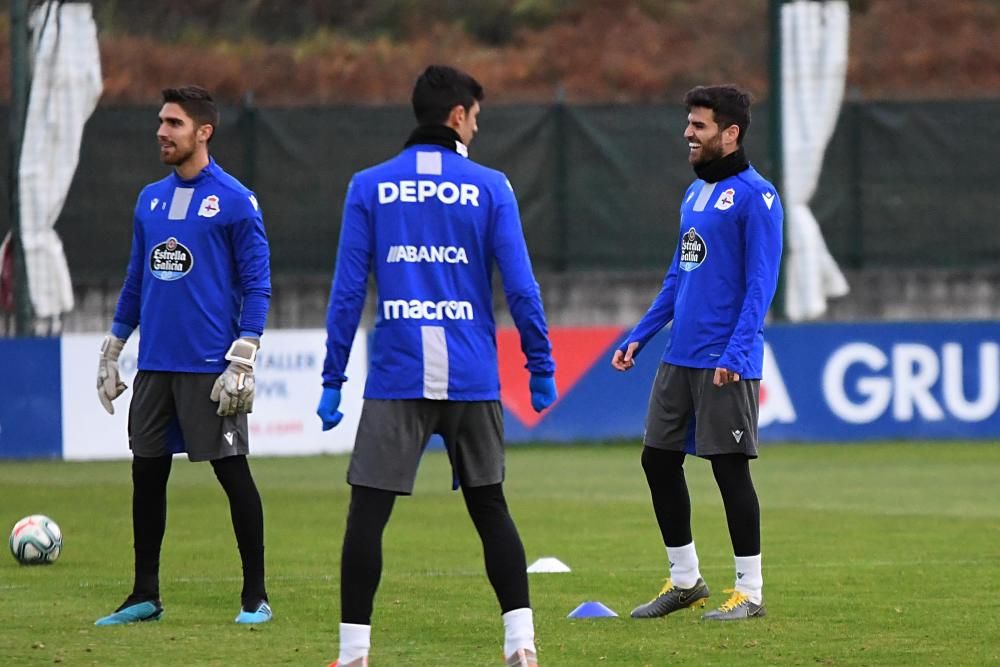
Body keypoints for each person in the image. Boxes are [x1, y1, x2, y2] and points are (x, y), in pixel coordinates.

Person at [316, 65, 557, 667]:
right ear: (457, 116)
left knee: (367, 514)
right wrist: (539, 363)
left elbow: (348, 293)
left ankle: (353, 656)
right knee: (490, 507)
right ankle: (521, 646)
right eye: (476, 116)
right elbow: (521, 288)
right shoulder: (491, 185)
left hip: (397, 377)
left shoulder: (367, 186)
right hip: (473, 376)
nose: (477, 126)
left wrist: (332, 377)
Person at [94, 85, 273, 626]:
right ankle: (145, 594)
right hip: (156, 368)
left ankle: (255, 597)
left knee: (232, 473)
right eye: (160, 121)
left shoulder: (236, 200)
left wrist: (244, 354)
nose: (161, 132)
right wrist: (114, 345)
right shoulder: (149, 199)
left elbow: (257, 284)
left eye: (172, 123)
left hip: (209, 369)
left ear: (204, 132)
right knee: (146, 474)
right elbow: (136, 279)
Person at [611, 85, 782, 621]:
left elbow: (761, 284)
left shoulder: (758, 197)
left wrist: (736, 352)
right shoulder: (694, 195)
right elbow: (677, 276)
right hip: (678, 357)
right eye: (689, 122)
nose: (688, 132)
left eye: (700, 125)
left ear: (730, 133)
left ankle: (749, 592)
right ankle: (686, 580)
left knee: (729, 470)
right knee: (657, 460)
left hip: (724, 361)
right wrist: (641, 333)